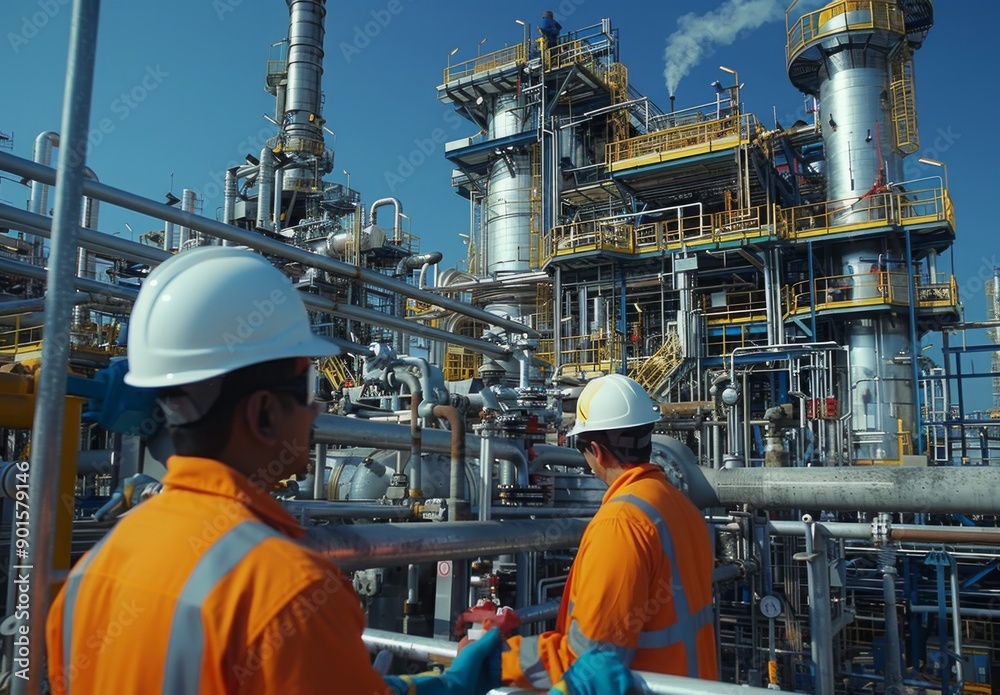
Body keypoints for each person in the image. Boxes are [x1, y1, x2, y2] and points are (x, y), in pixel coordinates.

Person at [44, 246, 503, 695]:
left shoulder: (88, 576)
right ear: (262, 413)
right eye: (306, 389)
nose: (318, 407)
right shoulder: (289, 591)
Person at [463, 373, 719, 690]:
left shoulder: (621, 523)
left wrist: (489, 658)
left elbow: (589, 658)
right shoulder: (683, 509)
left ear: (596, 450)